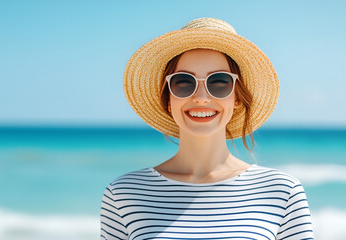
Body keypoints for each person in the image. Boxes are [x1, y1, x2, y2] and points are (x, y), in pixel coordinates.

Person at [100, 17, 314, 239]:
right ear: (168, 98)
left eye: (219, 82)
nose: (201, 98)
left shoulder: (282, 191)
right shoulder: (124, 193)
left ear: (237, 97)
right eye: (183, 82)